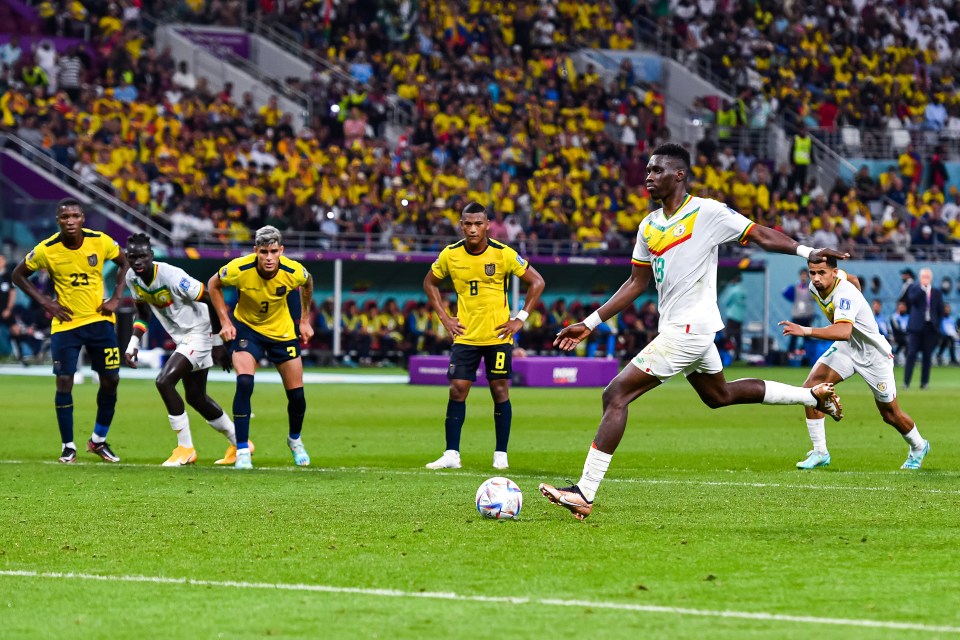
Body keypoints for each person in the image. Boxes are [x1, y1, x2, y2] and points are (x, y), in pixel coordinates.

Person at [538, 144, 845, 520]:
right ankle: (812, 397)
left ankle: (585, 491)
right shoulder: (648, 225)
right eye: (647, 171)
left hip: (689, 329)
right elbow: (636, 282)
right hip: (683, 329)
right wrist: (589, 323)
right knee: (719, 395)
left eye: (657, 170)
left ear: (679, 175)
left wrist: (809, 252)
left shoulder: (708, 212)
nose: (648, 177)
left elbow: (759, 234)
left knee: (615, 394)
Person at [423, 201, 545, 471]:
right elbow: (429, 282)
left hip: (498, 336)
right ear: (461, 225)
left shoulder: (503, 254)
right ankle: (451, 454)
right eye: (467, 223)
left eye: (478, 223)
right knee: (457, 390)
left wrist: (519, 319)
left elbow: (537, 282)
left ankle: (501, 453)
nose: (473, 229)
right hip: (465, 335)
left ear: (488, 225)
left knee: (499, 390)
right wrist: (444, 318)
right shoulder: (450, 254)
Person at [780, 256, 930, 470]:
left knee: (890, 414)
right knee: (811, 389)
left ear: (833, 272)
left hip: (873, 356)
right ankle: (820, 451)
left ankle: (919, 445)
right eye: (813, 272)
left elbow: (843, 331)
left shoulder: (846, 294)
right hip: (848, 349)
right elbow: (855, 278)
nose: (816, 278)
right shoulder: (819, 286)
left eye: (821, 272)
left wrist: (804, 330)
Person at [12, 198, 129, 463]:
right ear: (58, 221)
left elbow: (126, 262)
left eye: (75, 216)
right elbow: (18, 275)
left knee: (111, 380)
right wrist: (45, 302)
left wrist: (116, 297)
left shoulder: (100, 240)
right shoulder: (47, 249)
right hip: (66, 325)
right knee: (64, 381)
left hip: (100, 321)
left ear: (82, 219)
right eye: (65, 217)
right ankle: (68, 446)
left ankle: (98, 441)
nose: (70, 221)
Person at [122, 234, 240, 466]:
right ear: (127, 257)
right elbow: (143, 313)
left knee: (164, 382)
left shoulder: (172, 276)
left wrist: (217, 343)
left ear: (151, 256)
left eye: (142, 256)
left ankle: (185, 448)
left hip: (200, 332)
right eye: (133, 257)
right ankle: (240, 443)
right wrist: (133, 343)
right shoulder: (132, 278)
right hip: (183, 337)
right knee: (196, 397)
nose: (138, 262)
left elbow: (209, 298)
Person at [208, 225, 315, 470]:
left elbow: (308, 283)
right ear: (256, 251)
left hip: (282, 332)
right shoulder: (238, 268)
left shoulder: (293, 270)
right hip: (248, 330)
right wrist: (225, 321)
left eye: (274, 251)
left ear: (281, 251)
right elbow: (213, 284)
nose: (269, 257)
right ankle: (242, 449)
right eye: (264, 252)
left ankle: (295, 440)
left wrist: (305, 319)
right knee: (245, 383)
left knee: (297, 396)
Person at [900, 268, 945, 390]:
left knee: (927, 356)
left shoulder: (936, 292)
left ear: (931, 278)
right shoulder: (914, 289)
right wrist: (923, 289)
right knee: (911, 354)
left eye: (927, 277)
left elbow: (940, 310)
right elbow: (912, 300)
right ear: (920, 278)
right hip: (915, 328)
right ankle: (906, 383)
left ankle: (924, 383)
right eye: (923, 276)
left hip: (930, 328)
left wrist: (938, 325)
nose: (925, 279)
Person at [782, 268, 816, 354]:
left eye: (805, 275)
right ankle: (790, 354)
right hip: (797, 315)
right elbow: (785, 292)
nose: (803, 277)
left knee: (807, 336)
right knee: (793, 336)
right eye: (802, 275)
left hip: (807, 315)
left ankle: (808, 354)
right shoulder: (795, 288)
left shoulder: (811, 288)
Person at [719, 272, 747, 361]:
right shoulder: (743, 290)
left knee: (727, 336)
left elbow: (727, 301)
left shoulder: (733, 290)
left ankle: (724, 355)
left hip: (732, 316)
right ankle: (737, 355)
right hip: (740, 317)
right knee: (738, 337)